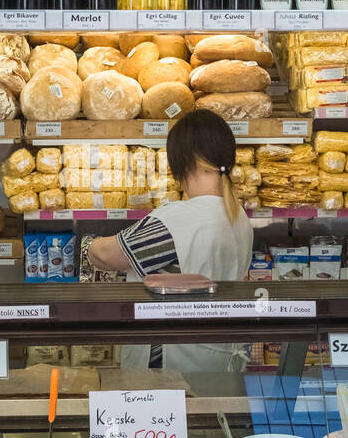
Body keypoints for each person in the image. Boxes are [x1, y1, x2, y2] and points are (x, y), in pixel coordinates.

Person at [89, 109, 253, 373]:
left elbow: (106, 255)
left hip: (172, 367)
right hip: (220, 360)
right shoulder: (238, 216)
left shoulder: (177, 219)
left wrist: (89, 246)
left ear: (183, 163)